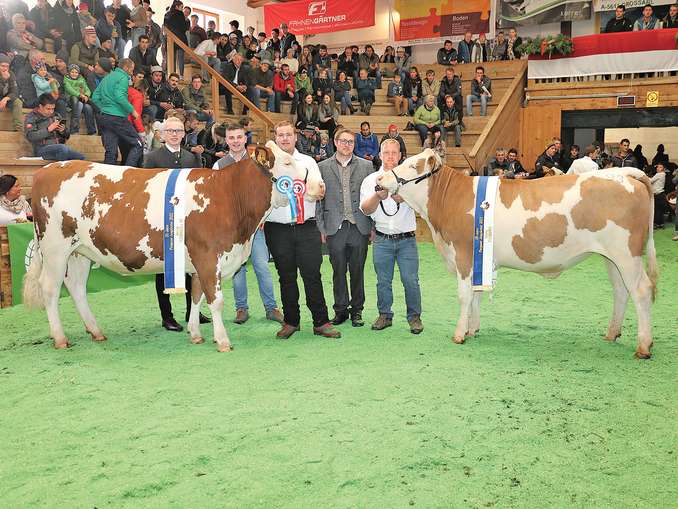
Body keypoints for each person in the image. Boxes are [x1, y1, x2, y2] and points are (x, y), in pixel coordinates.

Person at [264, 120, 340, 340]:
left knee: (312, 274)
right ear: (276, 138)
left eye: (288, 134)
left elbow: (319, 190)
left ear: (295, 137)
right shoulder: (267, 163)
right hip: (277, 228)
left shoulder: (307, 162)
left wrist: (317, 191)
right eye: (281, 135)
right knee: (285, 276)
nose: (285, 139)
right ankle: (291, 321)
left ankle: (321, 322)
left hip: (306, 226)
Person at [210, 124, 283, 324]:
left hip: (255, 227)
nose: (235, 141)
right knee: (237, 270)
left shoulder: (258, 162)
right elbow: (215, 199)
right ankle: (241, 309)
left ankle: (272, 307)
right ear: (226, 140)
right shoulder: (219, 166)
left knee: (261, 265)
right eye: (231, 137)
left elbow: (265, 193)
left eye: (239, 137)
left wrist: (260, 219)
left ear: (245, 138)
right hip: (231, 230)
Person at [143, 117, 208, 332]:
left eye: (178, 131)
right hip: (161, 223)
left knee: (192, 267)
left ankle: (193, 311)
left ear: (183, 134)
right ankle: (167, 316)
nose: (174, 134)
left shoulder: (192, 158)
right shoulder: (151, 158)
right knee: (163, 268)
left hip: (190, 222)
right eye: (170, 130)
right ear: (162, 134)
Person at [359, 138, 423, 334]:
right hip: (382, 239)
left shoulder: (411, 179)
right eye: (386, 153)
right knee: (383, 280)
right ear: (380, 155)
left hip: (407, 239)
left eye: (394, 153)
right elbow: (365, 210)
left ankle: (414, 317)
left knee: (410, 279)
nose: (390, 157)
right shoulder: (371, 181)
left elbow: (421, 207)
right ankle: (385, 315)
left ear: (401, 156)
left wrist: (405, 197)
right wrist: (377, 197)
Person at [317, 127, 374, 327]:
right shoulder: (322, 167)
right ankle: (340, 310)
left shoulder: (367, 166)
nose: (346, 145)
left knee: (357, 269)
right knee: (338, 270)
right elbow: (318, 200)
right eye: (343, 141)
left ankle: (357, 310)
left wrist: (372, 225)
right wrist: (321, 228)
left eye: (350, 142)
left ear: (354, 144)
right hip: (335, 226)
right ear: (335, 142)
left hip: (359, 226)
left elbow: (372, 197)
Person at [91, 58, 143, 165]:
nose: (132, 72)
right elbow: (119, 96)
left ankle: (107, 178)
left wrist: (105, 108)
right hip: (117, 117)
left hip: (104, 117)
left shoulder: (107, 77)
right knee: (138, 144)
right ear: (126, 68)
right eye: (132, 70)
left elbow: (95, 97)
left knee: (111, 151)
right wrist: (132, 110)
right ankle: (127, 171)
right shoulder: (123, 77)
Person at [24, 93, 85, 161]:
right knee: (62, 149)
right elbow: (30, 136)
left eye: (53, 109)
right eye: (48, 109)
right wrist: (48, 130)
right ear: (40, 106)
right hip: (42, 149)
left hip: (59, 148)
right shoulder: (32, 117)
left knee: (81, 157)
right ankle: (59, 170)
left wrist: (63, 131)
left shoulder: (56, 115)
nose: (51, 111)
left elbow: (67, 135)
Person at [63, 64, 96, 135]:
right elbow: (69, 89)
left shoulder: (81, 79)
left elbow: (87, 89)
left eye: (76, 72)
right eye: (72, 72)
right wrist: (79, 95)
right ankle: (74, 130)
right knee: (77, 102)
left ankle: (92, 130)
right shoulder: (66, 79)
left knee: (88, 108)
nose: (74, 74)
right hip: (71, 100)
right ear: (69, 72)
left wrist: (86, 95)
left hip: (81, 99)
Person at [163, 0, 189, 77]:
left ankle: (172, 75)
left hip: (170, 38)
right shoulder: (180, 13)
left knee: (171, 58)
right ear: (177, 6)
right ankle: (181, 75)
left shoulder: (167, 14)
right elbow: (184, 27)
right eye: (181, 7)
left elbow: (164, 27)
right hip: (180, 38)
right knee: (180, 58)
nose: (182, 9)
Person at [0, 54, 24, 132]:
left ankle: (18, 129)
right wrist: (3, 80)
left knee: (17, 102)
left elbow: (15, 91)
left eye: (7, 66)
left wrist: (6, 98)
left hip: (5, 100)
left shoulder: (11, 74)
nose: (5, 68)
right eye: (3, 66)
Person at [652, 162, 667, 228]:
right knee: (660, 210)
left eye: (660, 167)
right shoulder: (663, 174)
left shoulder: (659, 174)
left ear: (663, 168)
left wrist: (644, 177)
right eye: (658, 167)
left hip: (658, 194)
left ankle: (656, 224)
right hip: (661, 194)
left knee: (657, 210)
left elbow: (651, 181)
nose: (658, 168)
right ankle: (661, 223)